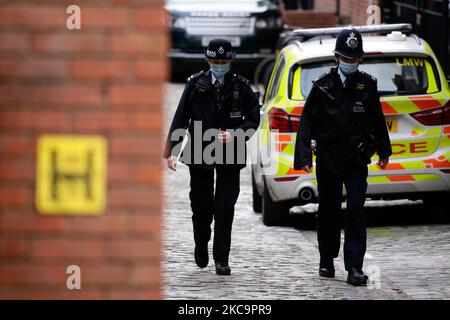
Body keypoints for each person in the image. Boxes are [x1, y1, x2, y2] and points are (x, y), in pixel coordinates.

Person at [293, 28, 392, 286]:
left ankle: (354, 267)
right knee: (328, 210)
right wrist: (304, 156)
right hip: (327, 157)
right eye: (346, 59)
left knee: (356, 210)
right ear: (336, 57)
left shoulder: (367, 86)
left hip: (357, 157)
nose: (350, 63)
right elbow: (306, 123)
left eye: (354, 59)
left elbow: (377, 120)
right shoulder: (322, 86)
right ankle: (327, 258)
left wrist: (384, 150)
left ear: (360, 60)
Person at [163, 39, 260, 275]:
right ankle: (201, 240)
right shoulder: (195, 85)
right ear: (208, 60)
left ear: (230, 62)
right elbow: (180, 118)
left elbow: (254, 119)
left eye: (224, 62)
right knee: (201, 206)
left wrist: (236, 133)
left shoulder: (241, 87)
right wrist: (172, 152)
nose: (219, 65)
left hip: (231, 150)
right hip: (199, 147)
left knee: (225, 207)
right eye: (215, 62)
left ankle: (221, 259)